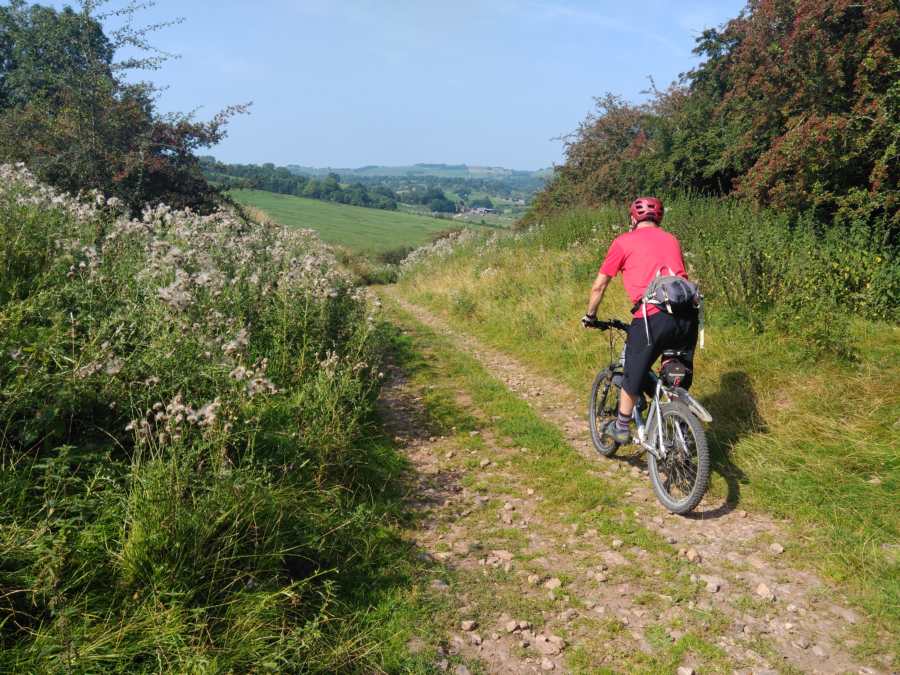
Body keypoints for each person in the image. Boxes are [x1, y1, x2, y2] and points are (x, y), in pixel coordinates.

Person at [581, 197, 699, 444]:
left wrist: (590, 316)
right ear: (659, 219)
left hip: (652, 317)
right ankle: (681, 429)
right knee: (674, 373)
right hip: (688, 316)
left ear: (633, 218)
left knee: (633, 371)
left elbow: (599, 286)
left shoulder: (623, 242)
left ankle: (622, 426)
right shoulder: (672, 239)